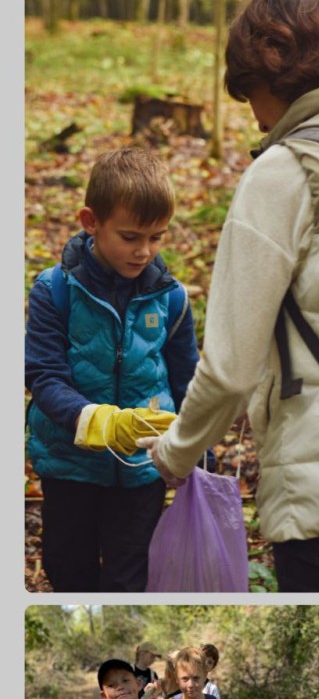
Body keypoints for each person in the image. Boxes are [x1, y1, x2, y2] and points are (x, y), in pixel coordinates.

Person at [140, 0, 319, 593]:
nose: (252, 113)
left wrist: (174, 453)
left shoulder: (283, 172)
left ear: (268, 73)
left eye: (248, 94)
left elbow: (227, 367)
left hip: (314, 488)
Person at [24, 149, 198, 593]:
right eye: (130, 237)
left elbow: (187, 380)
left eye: (156, 238)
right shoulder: (54, 291)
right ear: (90, 221)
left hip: (143, 466)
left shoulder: (171, 298)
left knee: (130, 570)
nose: (144, 251)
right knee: (68, 566)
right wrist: (97, 420)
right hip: (70, 463)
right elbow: (44, 376)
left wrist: (198, 447)